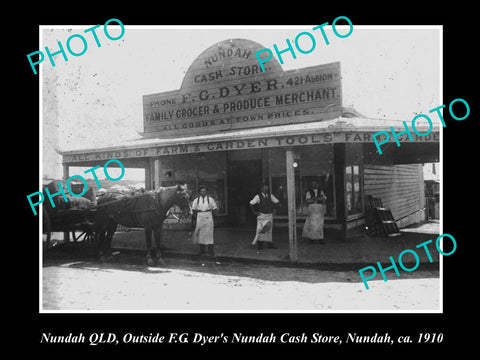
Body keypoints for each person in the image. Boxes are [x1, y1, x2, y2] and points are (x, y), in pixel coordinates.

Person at [249, 184, 280, 249]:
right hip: (262, 216)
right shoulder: (258, 196)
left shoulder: (270, 196)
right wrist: (254, 212)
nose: (266, 190)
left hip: (269, 215)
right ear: (261, 189)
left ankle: (270, 245)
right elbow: (251, 203)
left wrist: (274, 210)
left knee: (269, 230)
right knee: (260, 230)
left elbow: (277, 202)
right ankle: (260, 245)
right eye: (264, 188)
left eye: (267, 188)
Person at [191, 185, 218, 259]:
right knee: (201, 234)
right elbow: (193, 209)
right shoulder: (196, 200)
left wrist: (214, 217)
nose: (203, 192)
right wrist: (194, 218)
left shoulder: (211, 199)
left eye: (204, 191)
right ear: (199, 192)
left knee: (209, 234)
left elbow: (215, 208)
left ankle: (211, 252)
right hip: (200, 216)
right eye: (201, 191)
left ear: (206, 192)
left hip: (208, 215)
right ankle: (202, 251)